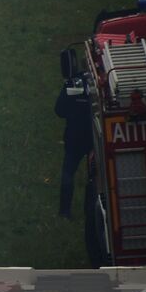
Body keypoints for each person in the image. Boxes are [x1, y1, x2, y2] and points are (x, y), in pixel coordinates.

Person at [55, 80, 93, 219]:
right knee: (94, 179)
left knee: (68, 174)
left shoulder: (73, 83)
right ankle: (91, 213)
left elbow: (59, 110)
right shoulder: (102, 84)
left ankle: (64, 211)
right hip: (93, 139)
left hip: (74, 138)